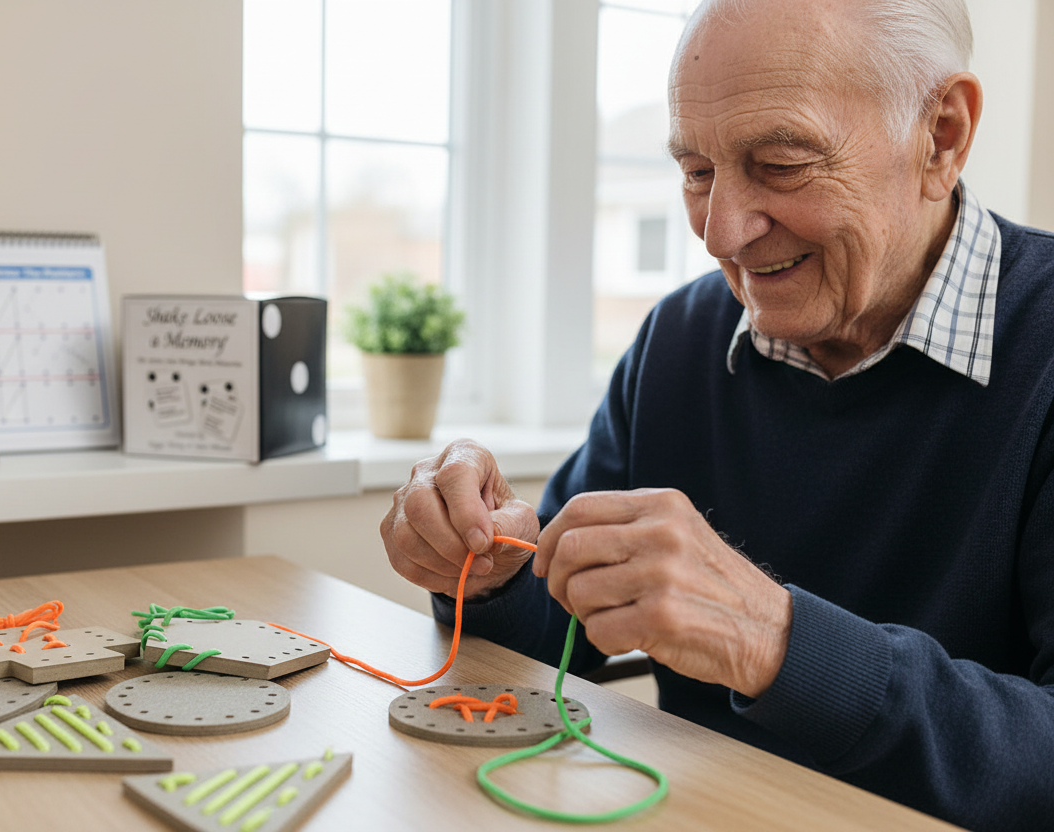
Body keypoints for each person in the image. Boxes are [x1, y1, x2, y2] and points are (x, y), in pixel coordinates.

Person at [379, 0, 1054, 829]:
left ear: (940, 136)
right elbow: (558, 640)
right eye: (696, 171)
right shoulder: (682, 337)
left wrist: (776, 642)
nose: (720, 233)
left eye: (780, 162)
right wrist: (492, 576)